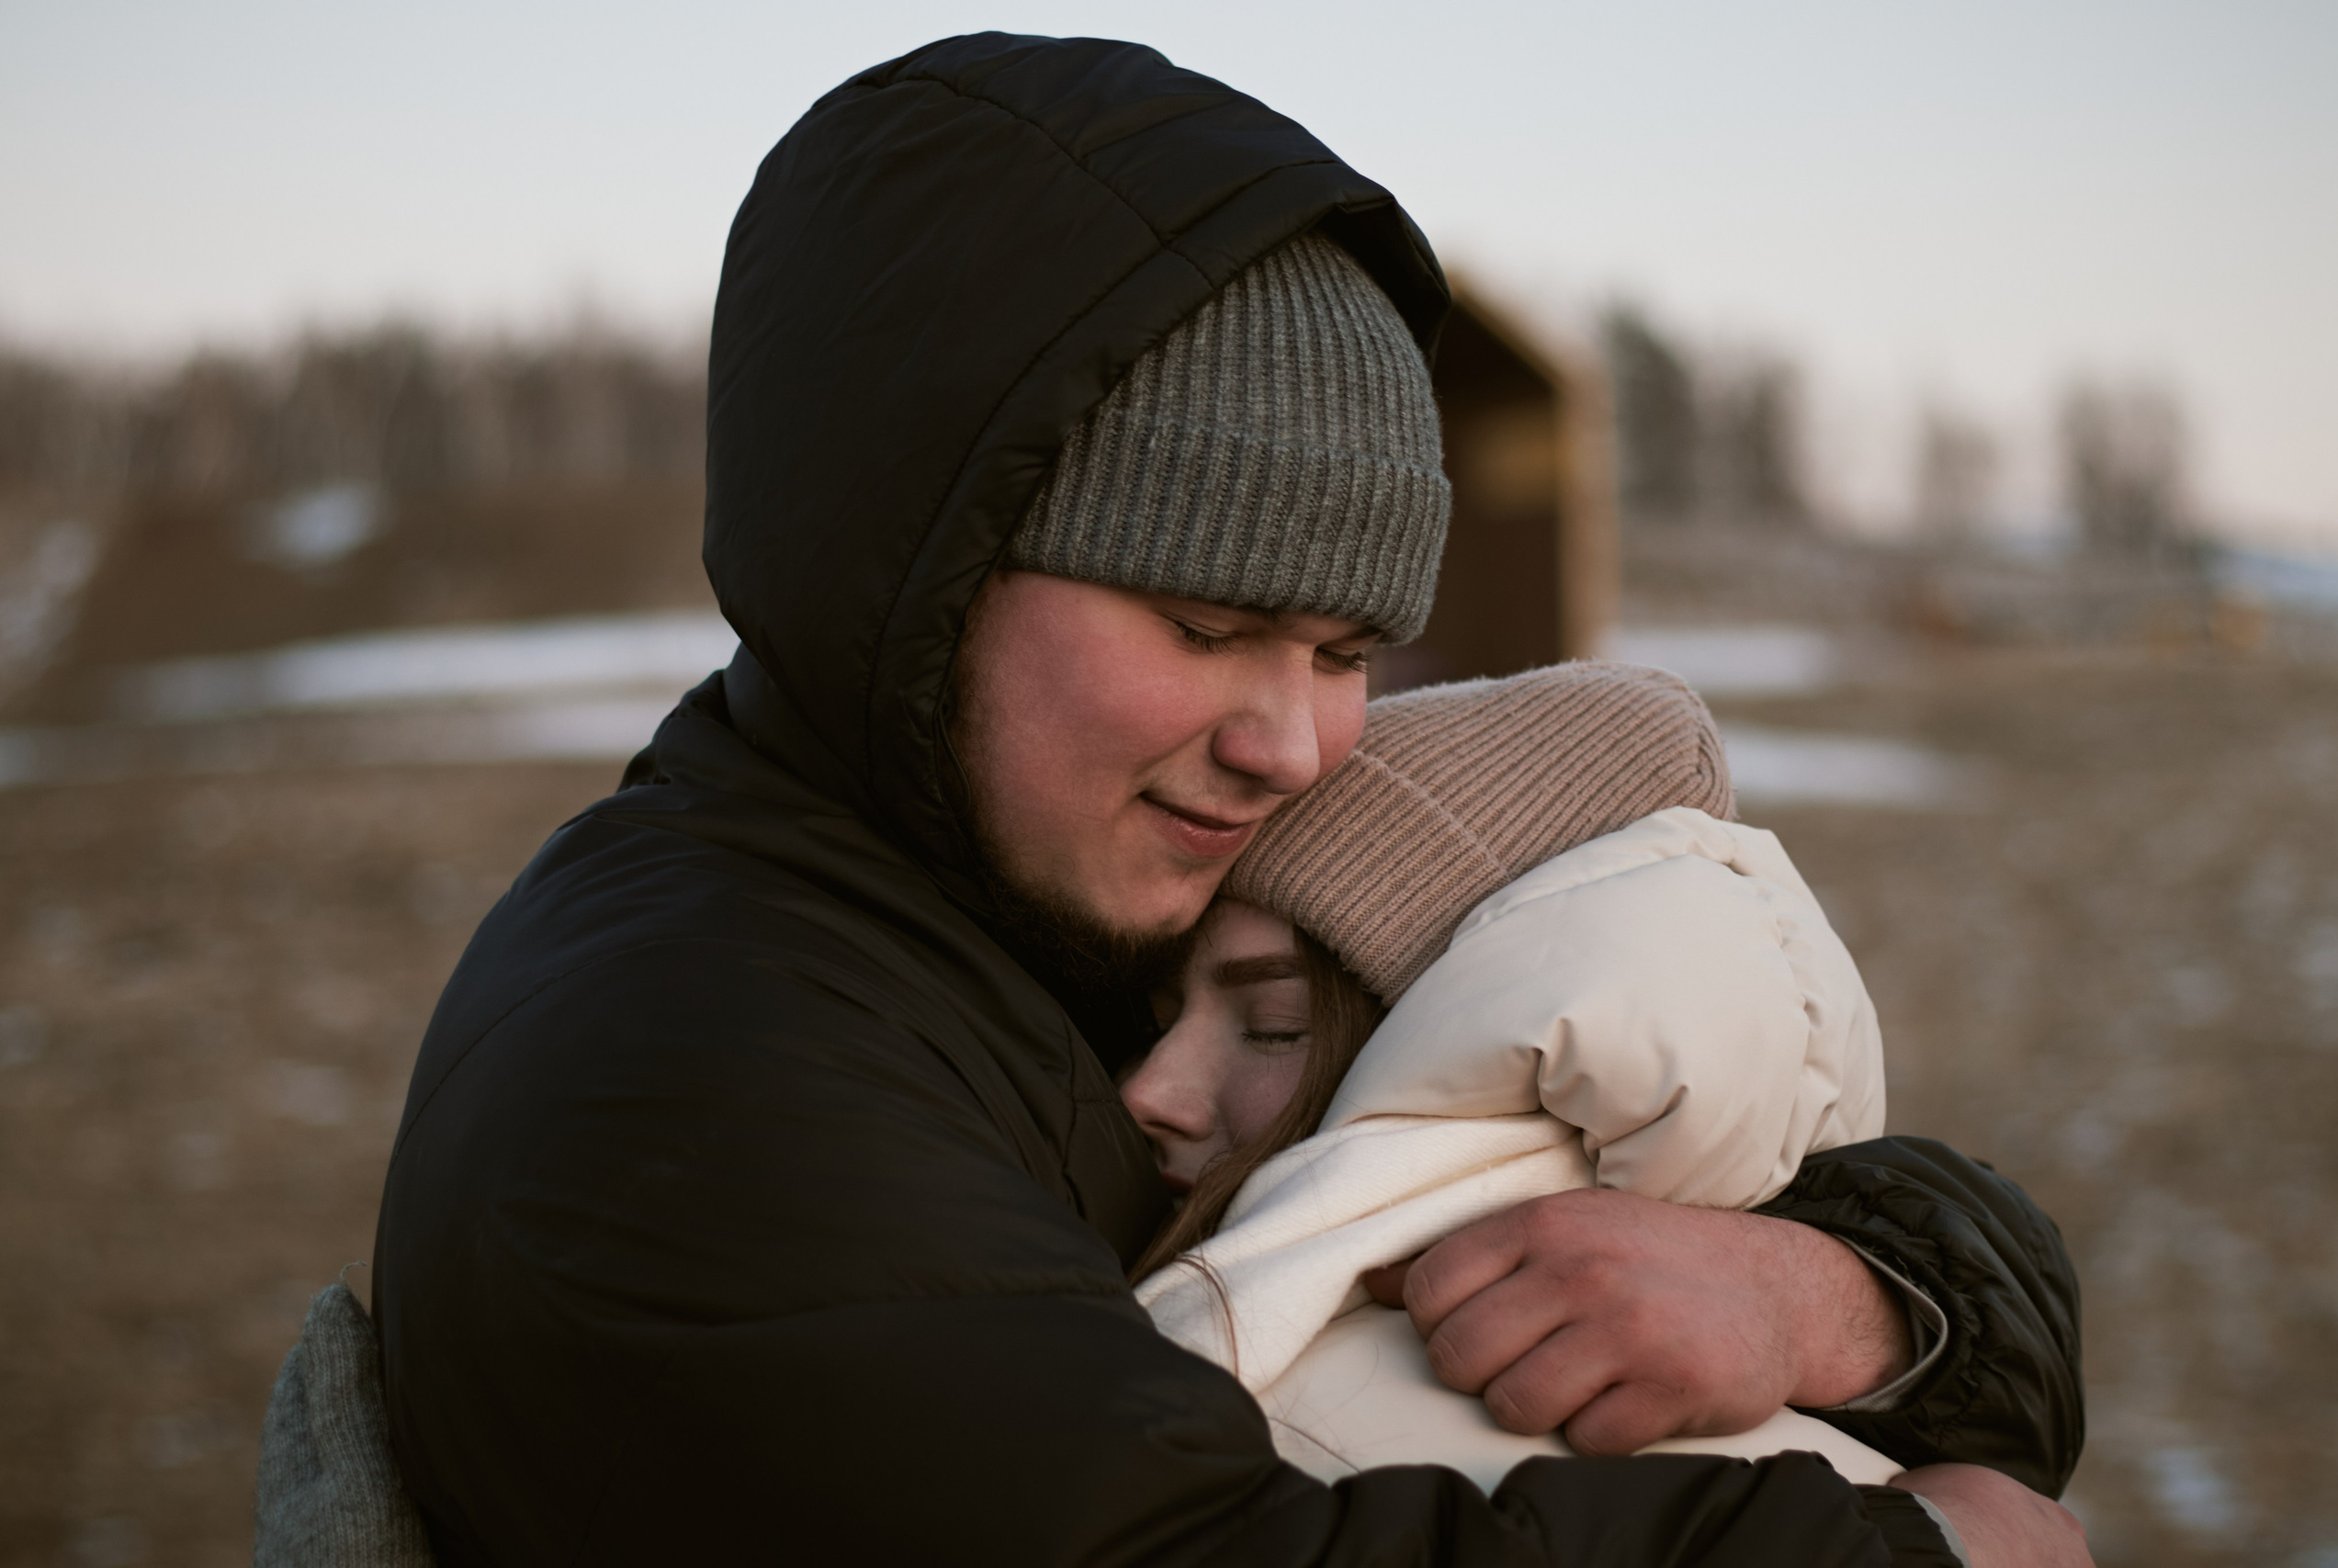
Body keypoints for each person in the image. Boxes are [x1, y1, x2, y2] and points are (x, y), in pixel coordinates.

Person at [367, 32, 2085, 1566]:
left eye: (1347, 649)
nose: (1295, 740)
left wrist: (1843, 1302)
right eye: (1206, 626)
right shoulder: (701, 1074)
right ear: (913, 570)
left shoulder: (1038, 894)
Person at [1118, 663, 1980, 1529]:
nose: (1148, 1092)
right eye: (1157, 1022)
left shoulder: (1269, 1420)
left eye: (1271, 1025)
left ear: (1459, 1044)